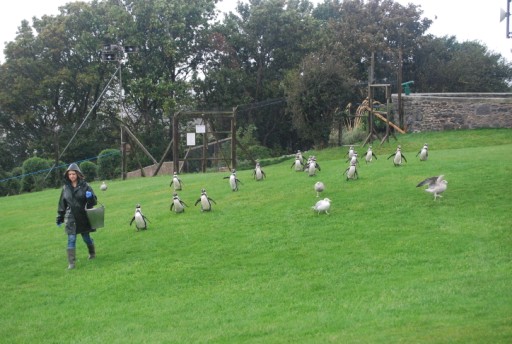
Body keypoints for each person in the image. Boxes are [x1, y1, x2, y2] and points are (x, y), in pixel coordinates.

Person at [56, 163, 97, 269]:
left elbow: (93, 202)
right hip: (71, 217)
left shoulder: (86, 186)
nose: (72, 176)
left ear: (78, 174)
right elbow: (62, 204)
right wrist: (60, 217)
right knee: (71, 239)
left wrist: (90, 197)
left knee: (86, 238)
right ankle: (71, 263)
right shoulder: (65, 188)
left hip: (83, 217)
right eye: (70, 174)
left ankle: (92, 253)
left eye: (73, 174)